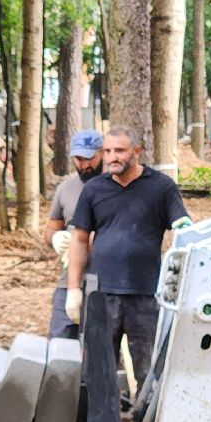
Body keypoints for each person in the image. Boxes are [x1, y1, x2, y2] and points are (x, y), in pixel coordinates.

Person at [65, 125, 189, 389]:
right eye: (107, 151)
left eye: (119, 151)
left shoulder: (161, 187)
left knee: (149, 369)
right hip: (102, 294)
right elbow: (78, 240)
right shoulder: (94, 190)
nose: (112, 157)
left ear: (136, 151)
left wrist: (184, 227)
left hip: (146, 295)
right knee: (97, 369)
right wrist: (73, 289)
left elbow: (183, 230)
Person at [43, 129, 105, 338]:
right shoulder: (66, 189)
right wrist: (55, 238)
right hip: (68, 281)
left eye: (89, 159)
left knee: (101, 346)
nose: (84, 165)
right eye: (78, 159)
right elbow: (52, 227)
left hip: (106, 283)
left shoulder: (115, 188)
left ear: (103, 154)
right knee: (59, 341)